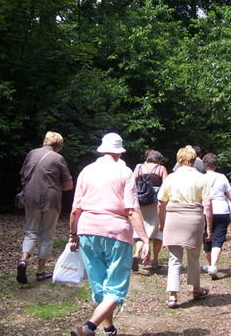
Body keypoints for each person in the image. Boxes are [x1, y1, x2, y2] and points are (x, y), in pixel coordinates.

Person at [69, 133, 150, 336]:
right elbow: (131, 210)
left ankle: (109, 328)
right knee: (115, 287)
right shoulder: (124, 172)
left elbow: (75, 210)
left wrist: (73, 234)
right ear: (120, 152)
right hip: (116, 232)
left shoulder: (86, 171)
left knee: (101, 285)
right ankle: (89, 327)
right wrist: (145, 238)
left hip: (87, 231)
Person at [158, 146, 213, 309]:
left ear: (179, 159)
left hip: (174, 218)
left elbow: (161, 203)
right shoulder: (202, 178)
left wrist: (161, 222)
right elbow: (208, 205)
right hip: (194, 218)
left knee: (174, 258)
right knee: (194, 257)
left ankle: (173, 296)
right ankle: (196, 289)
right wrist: (208, 227)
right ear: (194, 160)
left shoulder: (171, 178)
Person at [17, 131, 74, 283]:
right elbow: (69, 185)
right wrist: (55, 187)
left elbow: (23, 176)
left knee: (30, 232)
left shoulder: (31, 153)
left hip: (30, 198)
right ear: (59, 145)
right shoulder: (58, 158)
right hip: (50, 200)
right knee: (47, 235)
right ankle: (40, 271)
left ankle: (23, 260)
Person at [131, 149, 168, 271]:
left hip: (141, 201)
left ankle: (137, 253)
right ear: (159, 160)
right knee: (158, 232)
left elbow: (132, 184)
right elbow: (166, 186)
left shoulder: (139, 168)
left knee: (142, 229)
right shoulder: (161, 169)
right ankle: (155, 261)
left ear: (148, 159)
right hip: (155, 202)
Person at [201, 153, 231, 280]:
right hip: (222, 210)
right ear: (216, 165)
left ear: (204, 165)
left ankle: (209, 264)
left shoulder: (201, 178)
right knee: (218, 238)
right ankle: (213, 266)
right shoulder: (222, 177)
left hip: (205, 211)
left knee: (207, 236)